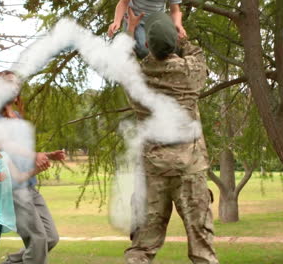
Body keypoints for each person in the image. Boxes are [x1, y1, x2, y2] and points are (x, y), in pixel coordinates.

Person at [123, 12, 219, 264]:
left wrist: (130, 31)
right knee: (203, 250)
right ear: (175, 41)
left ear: (146, 45)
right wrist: (181, 33)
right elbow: (196, 54)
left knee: (141, 249)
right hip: (190, 168)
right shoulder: (191, 72)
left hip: (153, 172)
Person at [0, 71, 65, 264]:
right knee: (37, 238)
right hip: (12, 188)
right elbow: (3, 145)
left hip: (29, 185)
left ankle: (10, 262)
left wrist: (47, 155)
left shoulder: (17, 116)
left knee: (50, 237)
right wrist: (35, 155)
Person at [108, 0, 187, 59]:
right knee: (144, 51)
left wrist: (178, 24)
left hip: (156, 19)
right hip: (134, 19)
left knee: (170, 46)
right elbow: (123, 3)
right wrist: (117, 21)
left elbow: (175, 11)